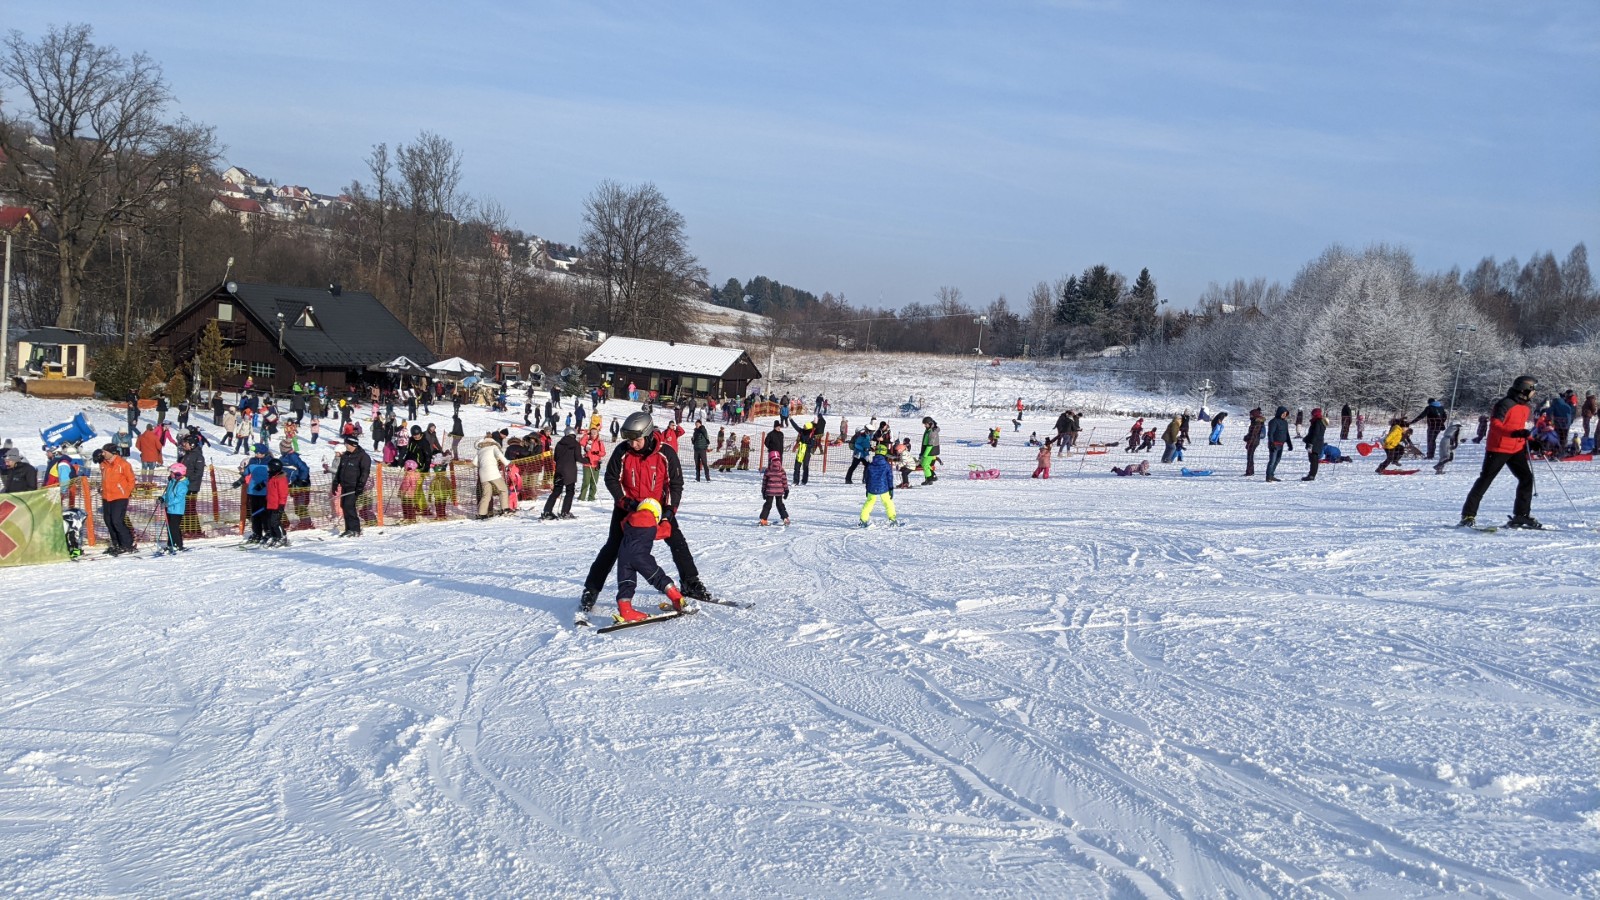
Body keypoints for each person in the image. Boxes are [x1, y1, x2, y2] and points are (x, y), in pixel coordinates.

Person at [578, 411, 712, 616]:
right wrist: (624, 501)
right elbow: (611, 478)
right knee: (613, 546)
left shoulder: (666, 453)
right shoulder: (623, 452)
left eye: (637, 440)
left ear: (648, 434)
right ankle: (591, 589)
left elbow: (675, 484)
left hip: (657, 509)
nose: (633, 445)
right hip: (628, 507)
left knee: (677, 542)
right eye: (630, 440)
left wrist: (669, 513)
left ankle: (690, 582)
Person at [1461, 376, 1541, 529]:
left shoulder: (1525, 407)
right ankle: (1468, 515)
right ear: (1525, 389)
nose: (1535, 393)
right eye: (1533, 389)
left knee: (1526, 478)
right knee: (1485, 480)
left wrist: (1531, 440)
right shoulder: (1505, 404)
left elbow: (1519, 428)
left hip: (1516, 449)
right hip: (1498, 448)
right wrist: (1514, 433)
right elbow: (1496, 425)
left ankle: (1521, 515)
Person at [607, 498, 687, 624]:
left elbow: (622, 524)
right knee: (657, 577)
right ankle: (677, 598)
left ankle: (625, 610)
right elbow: (666, 532)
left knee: (626, 583)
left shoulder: (629, 519)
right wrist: (665, 520)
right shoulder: (652, 524)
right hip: (642, 558)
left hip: (623, 557)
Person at [94, 444, 137, 555]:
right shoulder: (103, 464)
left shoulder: (123, 464)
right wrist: (102, 488)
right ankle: (116, 543)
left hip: (119, 497)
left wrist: (125, 492)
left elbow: (131, 480)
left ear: (112, 452)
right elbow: (105, 478)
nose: (103, 454)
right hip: (107, 496)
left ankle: (127, 544)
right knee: (108, 521)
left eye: (105, 452)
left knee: (117, 521)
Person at [332, 436, 371, 537]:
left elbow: (365, 473)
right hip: (345, 485)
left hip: (354, 487)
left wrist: (360, 486)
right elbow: (340, 470)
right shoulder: (346, 455)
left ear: (352, 444)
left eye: (346, 444)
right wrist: (335, 483)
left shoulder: (363, 457)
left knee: (349, 506)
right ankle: (349, 529)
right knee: (344, 505)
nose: (345, 445)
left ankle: (355, 529)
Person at [543, 429, 580, 520]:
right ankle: (565, 512)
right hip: (570, 472)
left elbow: (555, 458)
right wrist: (587, 460)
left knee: (556, 491)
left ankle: (547, 511)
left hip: (559, 471)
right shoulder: (575, 444)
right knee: (570, 491)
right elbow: (578, 457)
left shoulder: (559, 443)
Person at [476, 433, 511, 519]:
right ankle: (505, 509)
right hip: (493, 473)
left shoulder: (480, 451)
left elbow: (475, 463)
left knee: (486, 494)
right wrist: (507, 463)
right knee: (503, 490)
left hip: (483, 475)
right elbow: (500, 455)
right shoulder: (494, 447)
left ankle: (482, 514)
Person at [158, 463, 189, 553]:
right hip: (170, 509)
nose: (170, 474)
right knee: (169, 528)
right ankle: (171, 544)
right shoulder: (172, 482)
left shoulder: (182, 485)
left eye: (172, 472)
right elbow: (168, 494)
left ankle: (178, 545)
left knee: (174, 528)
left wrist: (168, 503)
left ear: (178, 473)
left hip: (177, 510)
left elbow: (179, 498)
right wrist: (162, 498)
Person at [759, 450, 790, 526]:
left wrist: (763, 491)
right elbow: (784, 481)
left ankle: (763, 519)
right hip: (779, 491)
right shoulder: (782, 470)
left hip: (770, 491)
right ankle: (785, 518)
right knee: (780, 504)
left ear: (770, 459)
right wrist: (786, 490)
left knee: (768, 504)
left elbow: (765, 481)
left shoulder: (768, 470)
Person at [1264, 406, 1292, 482]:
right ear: (1279, 413)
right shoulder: (1273, 421)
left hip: (1281, 444)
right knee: (1272, 461)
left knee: (1277, 460)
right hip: (1274, 444)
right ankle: (1268, 476)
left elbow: (1287, 434)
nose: (1284, 415)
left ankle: (1271, 475)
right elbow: (1270, 433)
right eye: (1283, 413)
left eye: (1285, 414)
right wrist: (1271, 443)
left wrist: (1289, 444)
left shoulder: (1285, 422)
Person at [579, 428, 605, 502]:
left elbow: (603, 453)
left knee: (594, 482)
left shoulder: (599, 442)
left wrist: (598, 452)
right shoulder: (588, 441)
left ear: (597, 434)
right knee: (586, 481)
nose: (593, 434)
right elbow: (581, 442)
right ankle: (582, 497)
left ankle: (591, 497)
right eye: (592, 433)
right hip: (587, 464)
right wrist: (586, 434)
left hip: (595, 464)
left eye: (595, 433)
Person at [1301, 408, 1327, 481]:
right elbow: (1312, 433)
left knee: (1313, 459)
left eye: (1312, 414)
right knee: (1313, 459)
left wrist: (1310, 444)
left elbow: (1315, 434)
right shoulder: (1320, 422)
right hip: (1317, 443)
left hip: (1314, 444)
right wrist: (1306, 439)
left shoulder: (1317, 422)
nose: (1311, 415)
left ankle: (1312, 475)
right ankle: (1311, 474)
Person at [919, 417, 941, 484]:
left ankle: (930, 478)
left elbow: (930, 444)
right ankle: (930, 478)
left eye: (926, 424)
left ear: (930, 423)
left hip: (930, 451)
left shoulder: (932, 432)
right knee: (926, 465)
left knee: (925, 465)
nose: (925, 425)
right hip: (927, 450)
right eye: (924, 424)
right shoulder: (929, 430)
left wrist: (925, 454)